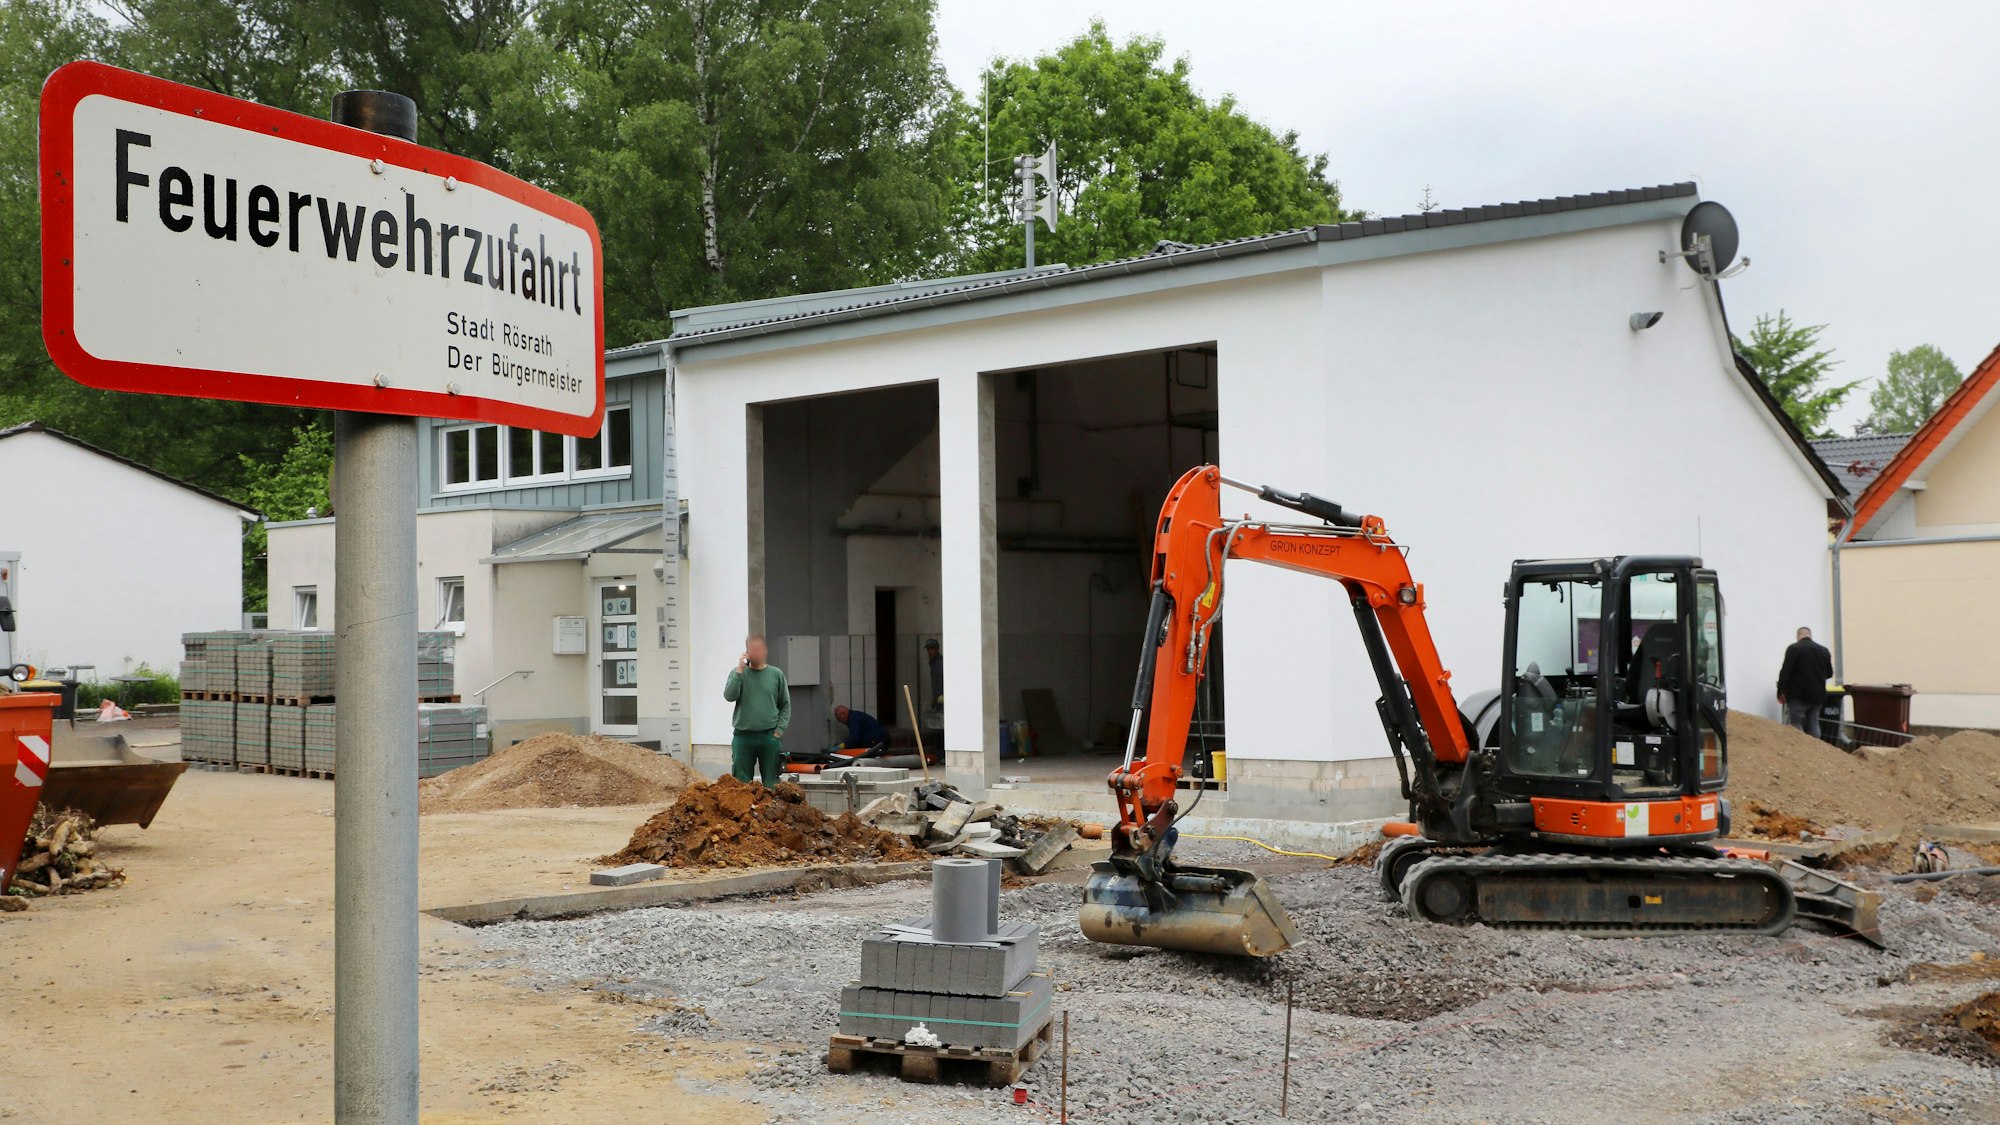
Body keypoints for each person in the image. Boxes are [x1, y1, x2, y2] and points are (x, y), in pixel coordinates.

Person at [723, 634, 790, 787]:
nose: (757, 652)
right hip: (743, 736)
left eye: (759, 648)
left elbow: (785, 705)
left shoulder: (776, 675)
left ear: (765, 650)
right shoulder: (737, 673)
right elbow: (729, 696)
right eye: (753, 649)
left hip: (769, 736)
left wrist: (779, 731)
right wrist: (740, 670)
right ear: (747, 652)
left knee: (771, 783)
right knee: (741, 783)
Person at [1776, 626, 1834, 738]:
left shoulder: (1794, 649)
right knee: (1813, 722)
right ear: (1810, 635)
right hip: (1818, 696)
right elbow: (1830, 673)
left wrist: (1780, 691)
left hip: (1797, 695)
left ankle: (1800, 749)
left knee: (1796, 723)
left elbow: (1785, 672)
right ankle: (1815, 749)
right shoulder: (1824, 650)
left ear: (1798, 636)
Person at [924, 639, 943, 708]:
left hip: (941, 702)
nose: (929, 651)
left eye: (931, 649)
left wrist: (940, 700)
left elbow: (941, 684)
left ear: (937, 649)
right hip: (939, 701)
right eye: (928, 649)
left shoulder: (939, 663)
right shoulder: (934, 663)